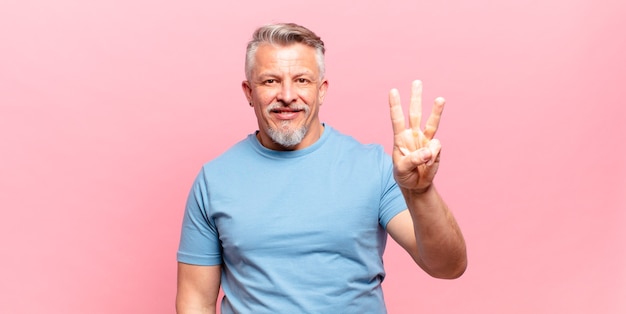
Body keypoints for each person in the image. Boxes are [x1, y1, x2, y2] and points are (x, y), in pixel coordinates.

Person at [176, 23, 467, 313]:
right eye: (270, 81)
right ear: (248, 92)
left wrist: (422, 192)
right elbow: (195, 302)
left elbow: (448, 266)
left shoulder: (374, 168)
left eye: (302, 80)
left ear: (322, 90)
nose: (287, 95)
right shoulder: (214, 180)